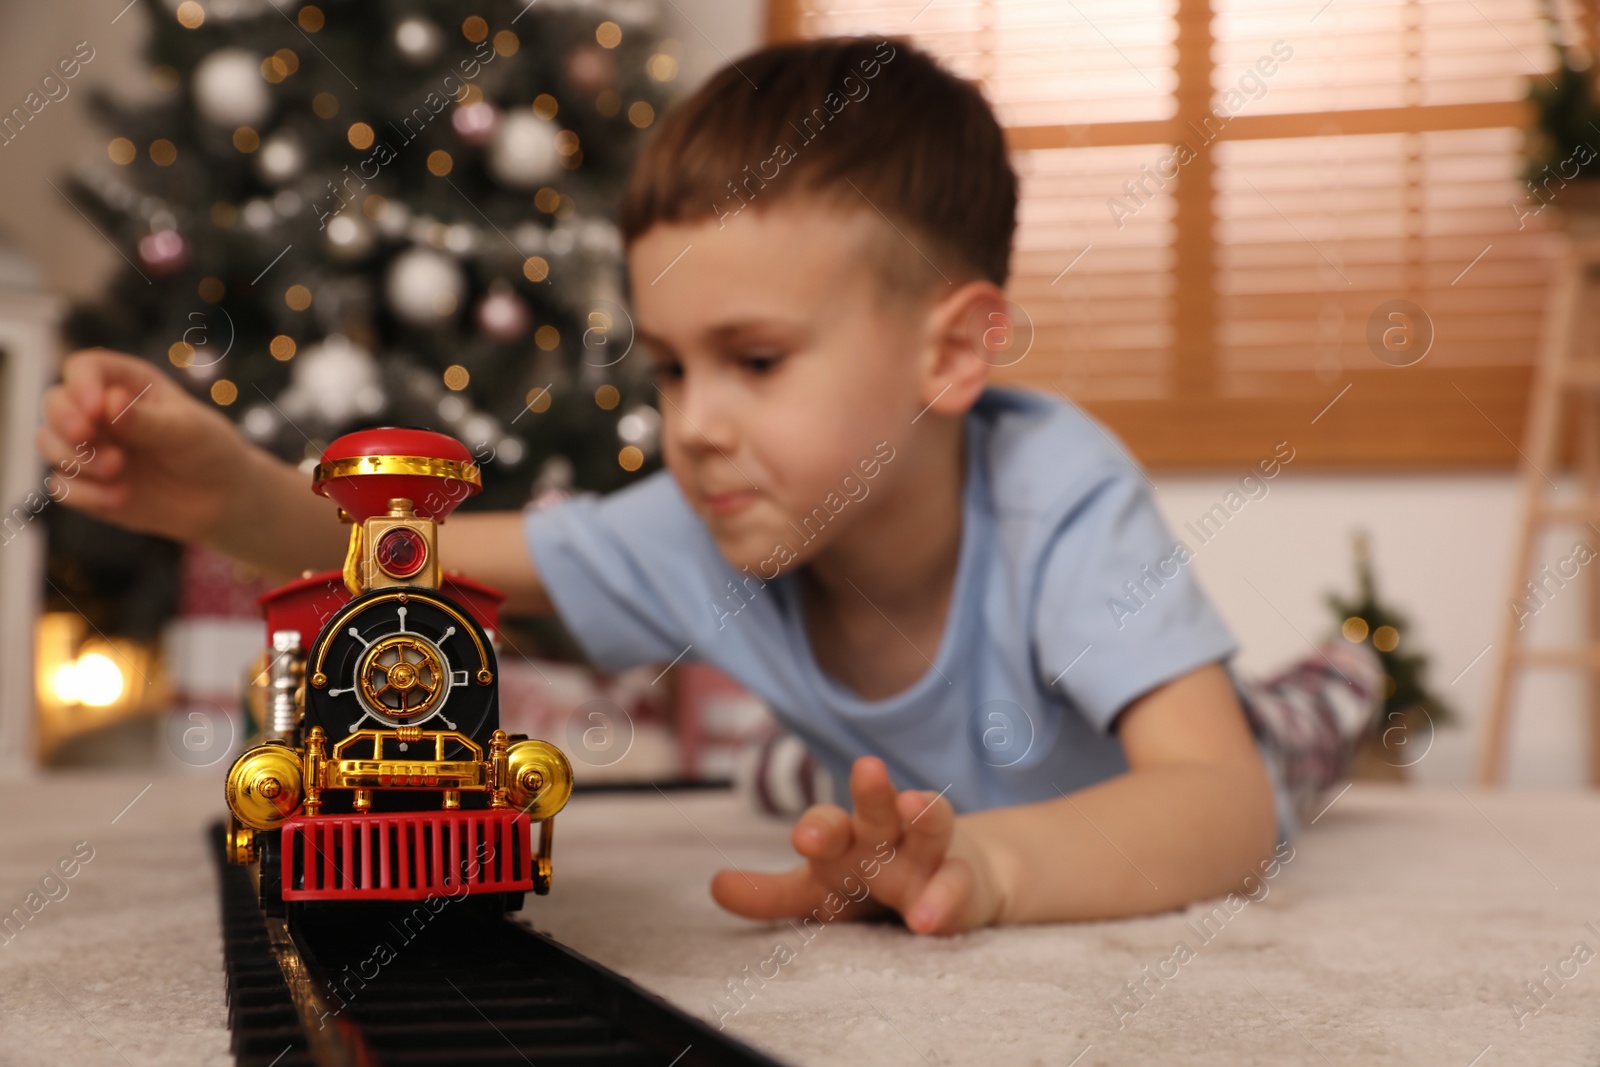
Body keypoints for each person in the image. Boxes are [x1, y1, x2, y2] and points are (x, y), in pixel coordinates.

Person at [36, 37, 1378, 935]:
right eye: (671, 370)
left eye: (755, 360)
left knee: (1285, 746)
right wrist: (223, 490)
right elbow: (414, 566)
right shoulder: (702, 516)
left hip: (1179, 770)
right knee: (820, 782)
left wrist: (998, 868)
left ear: (958, 350)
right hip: (923, 793)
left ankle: (1339, 682)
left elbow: (1218, 812)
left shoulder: (1056, 491)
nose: (694, 427)